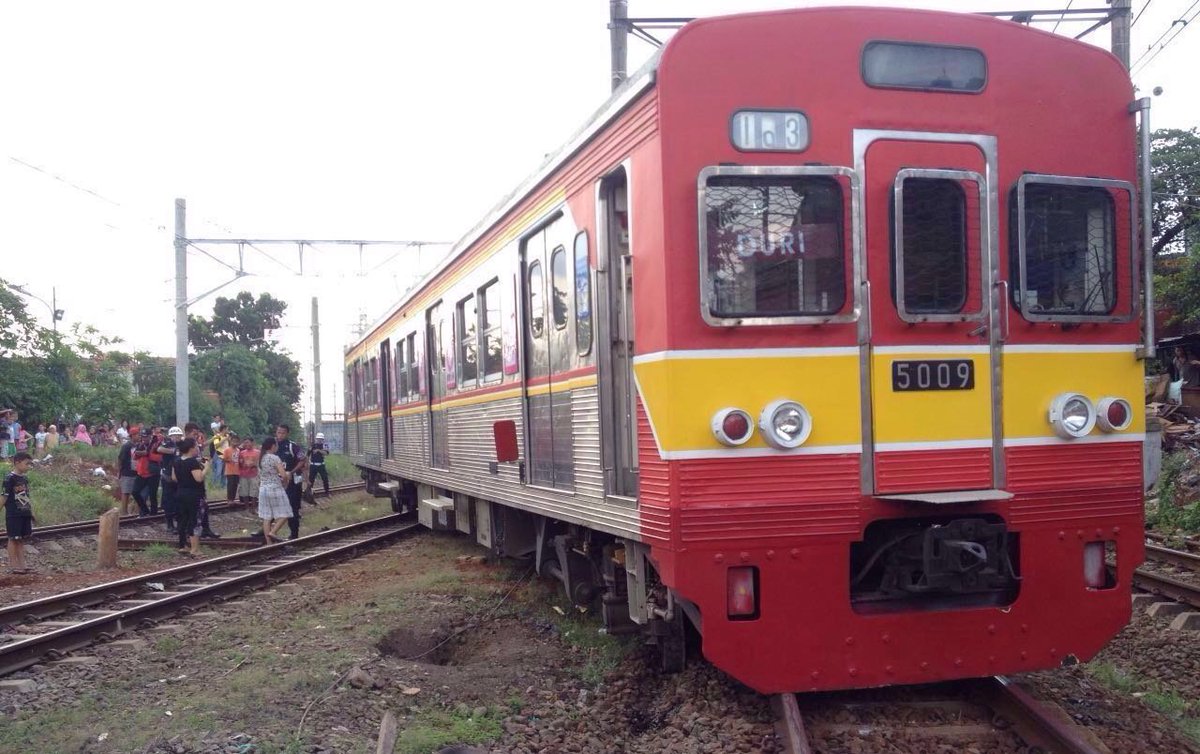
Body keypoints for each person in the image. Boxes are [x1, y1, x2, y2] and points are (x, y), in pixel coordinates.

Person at [185, 422, 220, 539]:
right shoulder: (184, 445)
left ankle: (205, 529)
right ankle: (190, 531)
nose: (196, 436)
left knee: (204, 504)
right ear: (187, 432)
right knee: (192, 506)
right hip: (190, 478)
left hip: (199, 475)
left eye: (197, 434)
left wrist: (202, 461)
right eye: (194, 434)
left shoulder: (196, 444)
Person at [172, 438, 206, 557]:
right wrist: (206, 468)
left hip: (180, 492)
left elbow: (174, 478)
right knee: (195, 520)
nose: (197, 448)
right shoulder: (192, 462)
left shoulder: (176, 461)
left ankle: (183, 545)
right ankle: (194, 549)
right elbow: (199, 478)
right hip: (194, 494)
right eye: (196, 446)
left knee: (182, 519)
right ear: (191, 448)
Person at [256, 438, 292, 544]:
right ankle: (273, 532)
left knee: (267, 517)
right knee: (286, 512)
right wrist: (286, 481)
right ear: (273, 446)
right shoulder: (274, 458)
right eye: (276, 445)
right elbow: (283, 475)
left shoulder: (261, 458)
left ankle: (269, 544)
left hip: (263, 489)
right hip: (275, 488)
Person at [274, 424, 307, 539]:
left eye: (283, 433)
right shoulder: (273, 446)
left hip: (293, 481)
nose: (280, 435)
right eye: (278, 432)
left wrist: (291, 472)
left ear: (287, 434)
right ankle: (267, 531)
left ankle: (294, 534)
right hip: (277, 481)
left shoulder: (293, 446)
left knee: (292, 507)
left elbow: (302, 460)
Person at [4, 452, 34, 573]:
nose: (29, 466)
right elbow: (4, 496)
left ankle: (22, 565)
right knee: (13, 538)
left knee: (20, 539)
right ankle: (14, 566)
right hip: (13, 513)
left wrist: (31, 512)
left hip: (24, 512)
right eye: (27, 464)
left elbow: (26, 496)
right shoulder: (9, 479)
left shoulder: (24, 479)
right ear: (17, 462)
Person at [158, 426, 185, 534]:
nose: (176, 437)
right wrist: (173, 451)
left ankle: (180, 524)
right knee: (168, 502)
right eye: (174, 435)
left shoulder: (183, 444)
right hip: (168, 477)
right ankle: (170, 525)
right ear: (171, 436)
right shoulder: (168, 443)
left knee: (179, 502)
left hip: (180, 477)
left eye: (178, 435)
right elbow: (159, 449)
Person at [133, 427, 162, 516]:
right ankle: (145, 510)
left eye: (145, 436)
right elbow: (134, 456)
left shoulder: (156, 444)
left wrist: (148, 454)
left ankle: (153, 514)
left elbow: (160, 458)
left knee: (153, 495)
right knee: (135, 492)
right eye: (142, 436)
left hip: (153, 473)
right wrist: (139, 453)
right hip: (142, 473)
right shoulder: (140, 444)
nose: (144, 438)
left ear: (150, 436)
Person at [116, 429, 139, 515]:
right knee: (126, 492)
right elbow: (120, 459)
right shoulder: (126, 446)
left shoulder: (139, 445)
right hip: (127, 472)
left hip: (137, 472)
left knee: (137, 492)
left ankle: (135, 511)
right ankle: (124, 512)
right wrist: (119, 471)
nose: (139, 436)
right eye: (137, 434)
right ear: (132, 435)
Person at [238, 437, 260, 504]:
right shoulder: (241, 453)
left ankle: (253, 507)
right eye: (245, 443)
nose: (246, 444)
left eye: (248, 442)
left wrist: (254, 464)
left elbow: (259, 463)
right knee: (244, 492)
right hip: (243, 474)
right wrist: (242, 463)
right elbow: (239, 463)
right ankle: (247, 507)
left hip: (254, 474)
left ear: (252, 443)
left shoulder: (258, 452)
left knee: (254, 491)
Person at [308, 432, 331, 498]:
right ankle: (309, 493)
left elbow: (326, 453)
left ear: (323, 439)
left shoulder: (324, 445)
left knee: (325, 479)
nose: (319, 440)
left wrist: (318, 450)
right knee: (311, 479)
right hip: (313, 465)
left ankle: (327, 492)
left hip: (321, 465)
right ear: (316, 439)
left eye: (321, 439)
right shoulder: (313, 445)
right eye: (318, 439)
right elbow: (308, 454)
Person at [223, 432, 240, 502]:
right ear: (230, 441)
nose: (235, 443)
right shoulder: (227, 450)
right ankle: (229, 499)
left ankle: (232, 499)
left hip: (237, 471)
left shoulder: (238, 450)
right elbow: (224, 459)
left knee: (235, 485)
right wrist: (229, 460)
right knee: (230, 485)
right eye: (233, 441)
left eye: (236, 442)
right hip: (229, 471)